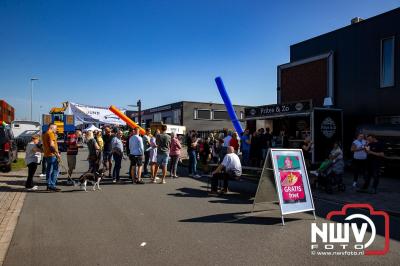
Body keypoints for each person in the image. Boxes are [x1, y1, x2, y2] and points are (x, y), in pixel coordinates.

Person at [42, 123, 61, 192]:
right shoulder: (51, 133)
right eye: (55, 129)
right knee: (55, 170)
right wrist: (57, 153)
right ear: (51, 127)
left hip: (47, 154)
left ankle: (48, 184)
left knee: (49, 170)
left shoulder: (44, 134)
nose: (56, 130)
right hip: (52, 155)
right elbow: (51, 145)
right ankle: (52, 185)